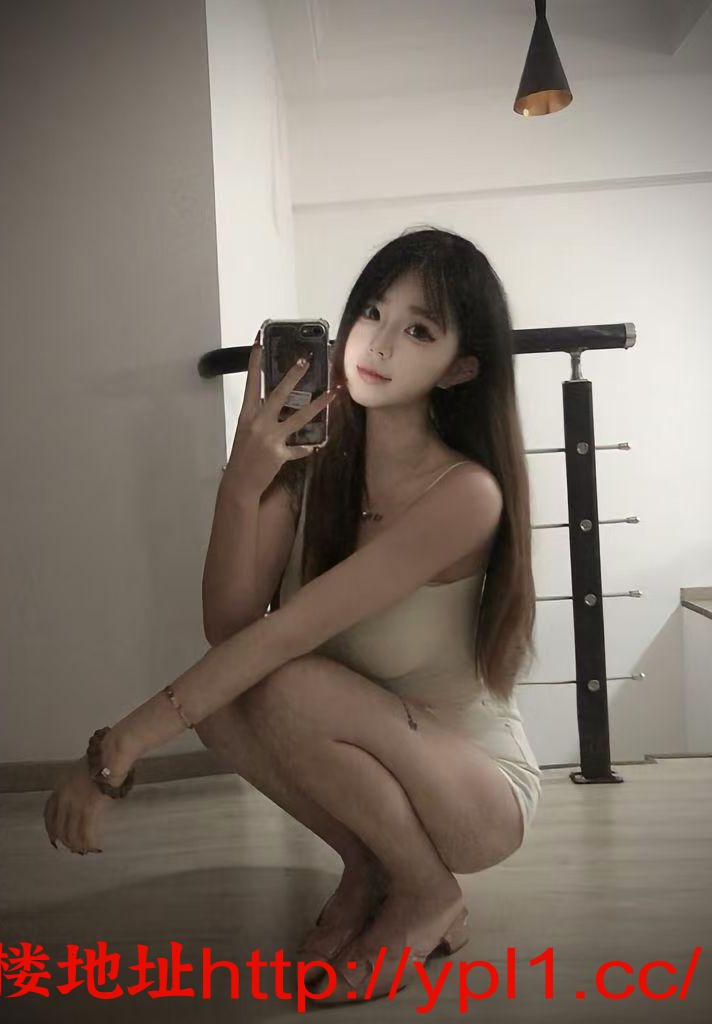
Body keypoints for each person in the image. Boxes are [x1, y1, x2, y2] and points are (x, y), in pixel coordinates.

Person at [43, 226, 543, 1004]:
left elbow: (286, 635)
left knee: (283, 678)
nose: (378, 344)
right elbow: (230, 625)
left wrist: (119, 748)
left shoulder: (465, 494)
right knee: (227, 700)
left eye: (419, 331)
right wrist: (243, 483)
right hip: (376, 752)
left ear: (461, 367)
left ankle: (427, 892)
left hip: (473, 789)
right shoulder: (316, 469)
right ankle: (371, 865)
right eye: (371, 313)